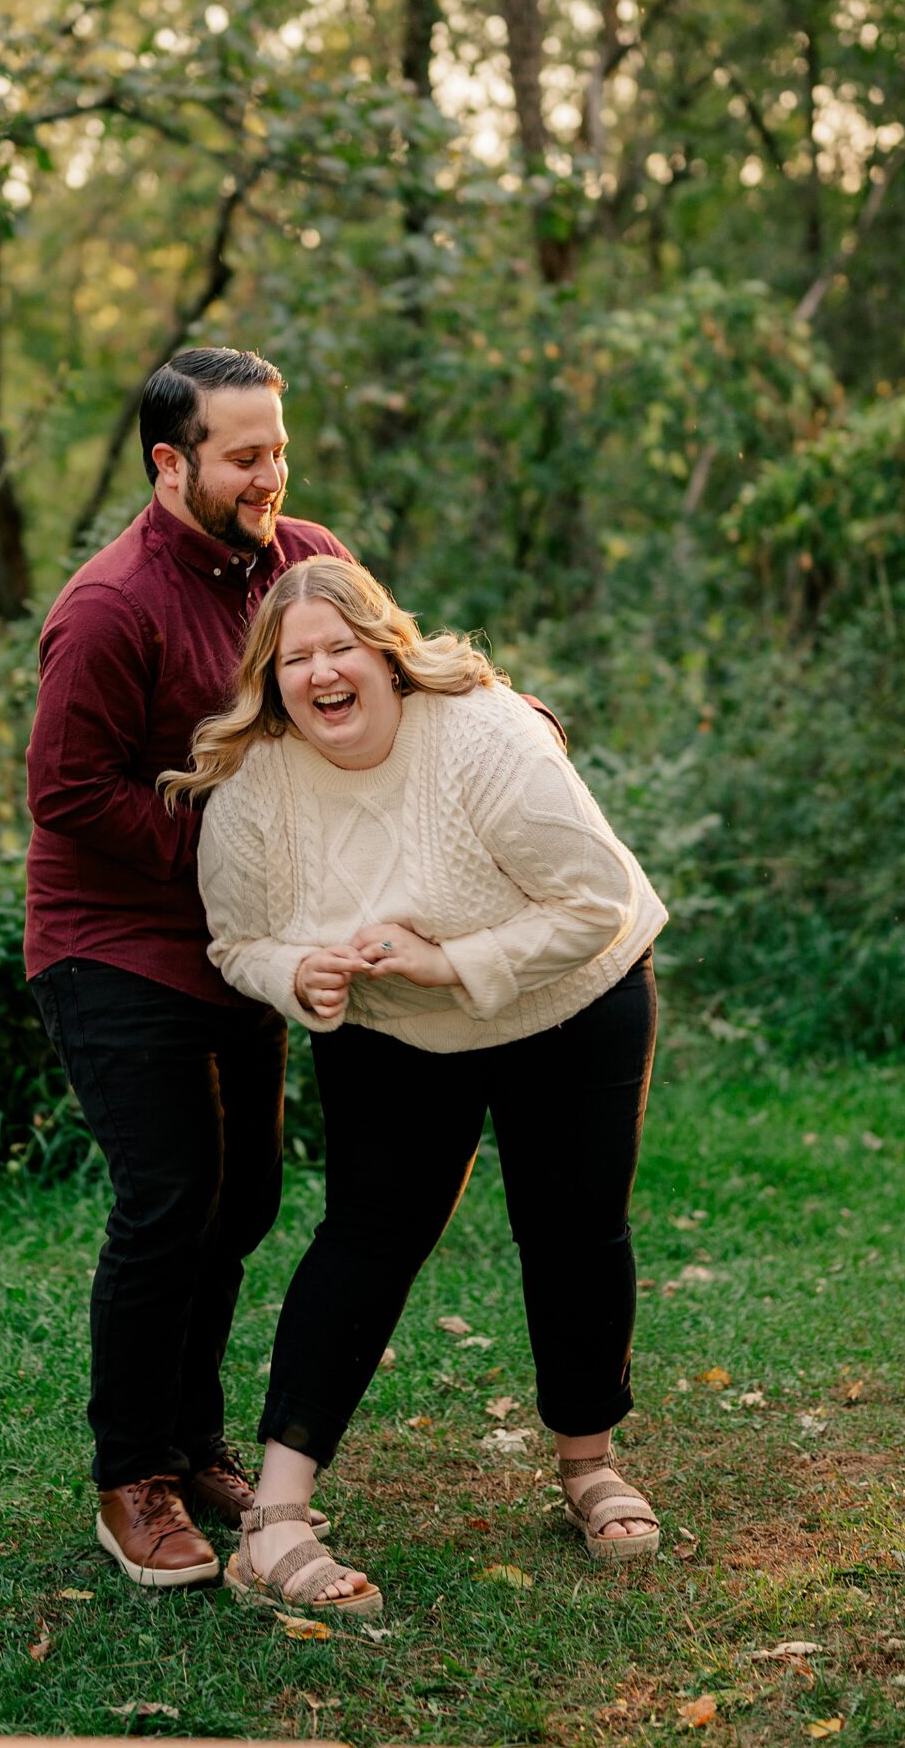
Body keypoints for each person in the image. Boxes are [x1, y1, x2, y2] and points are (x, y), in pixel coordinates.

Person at [163, 557, 668, 1616]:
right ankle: (277, 1518)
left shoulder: (484, 735)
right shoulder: (255, 784)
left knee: (572, 1227)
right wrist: (294, 974)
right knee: (366, 1234)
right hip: (392, 1030)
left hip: (570, 997)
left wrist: (443, 962)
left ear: (387, 654)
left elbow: (597, 900)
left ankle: (589, 1464)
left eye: (340, 646)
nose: (322, 671)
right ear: (272, 680)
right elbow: (238, 939)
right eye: (296, 658)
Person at [25, 346, 352, 1590]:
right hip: (112, 942)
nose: (273, 474)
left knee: (247, 1196)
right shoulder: (108, 607)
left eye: (278, 448)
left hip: (238, 949)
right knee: (169, 1201)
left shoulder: (301, 562)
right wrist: (219, 850)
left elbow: (382, 670)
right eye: (244, 455)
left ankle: (191, 1439)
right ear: (173, 464)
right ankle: (130, 1480)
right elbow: (65, 791)